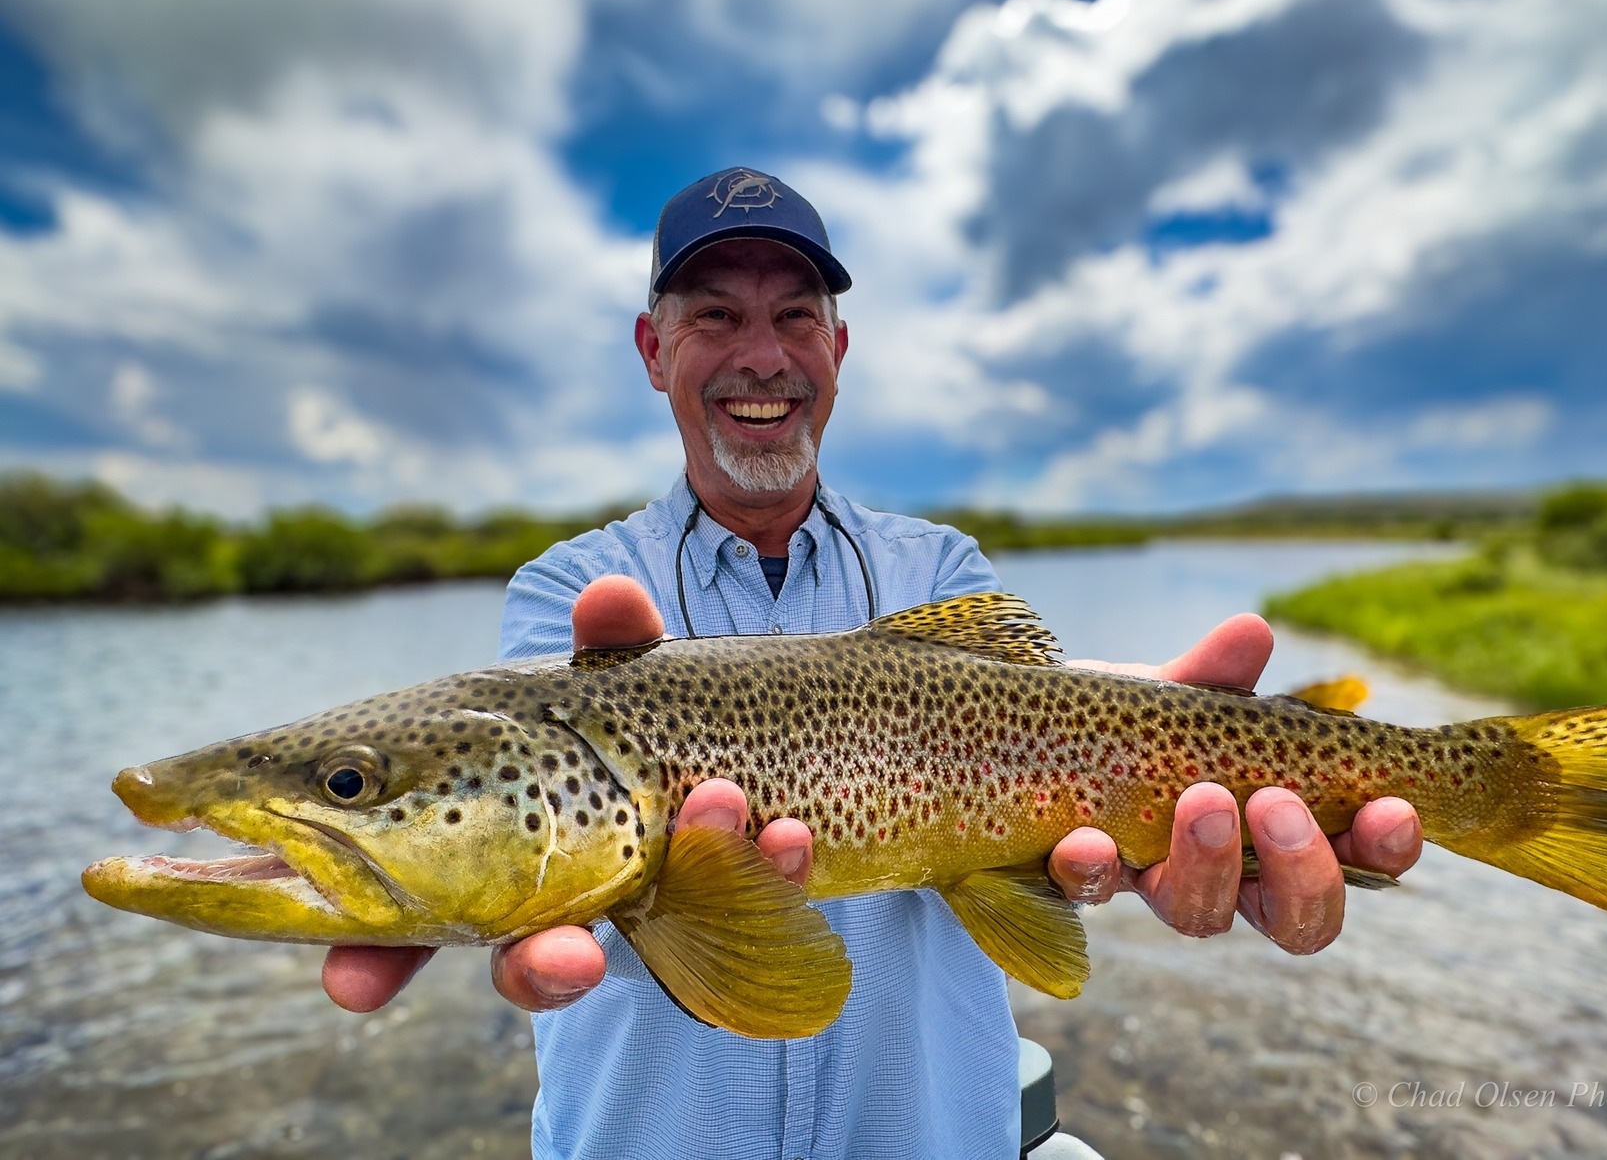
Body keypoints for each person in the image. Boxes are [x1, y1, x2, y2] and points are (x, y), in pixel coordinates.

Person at [320, 168, 1423, 1158]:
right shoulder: (569, 591)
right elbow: (539, 842)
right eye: (716, 316)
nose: (763, 355)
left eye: (796, 316)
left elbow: (1058, 744)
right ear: (654, 351)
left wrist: (1168, 764)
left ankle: (1467, 784)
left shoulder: (940, 568)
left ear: (838, 351)